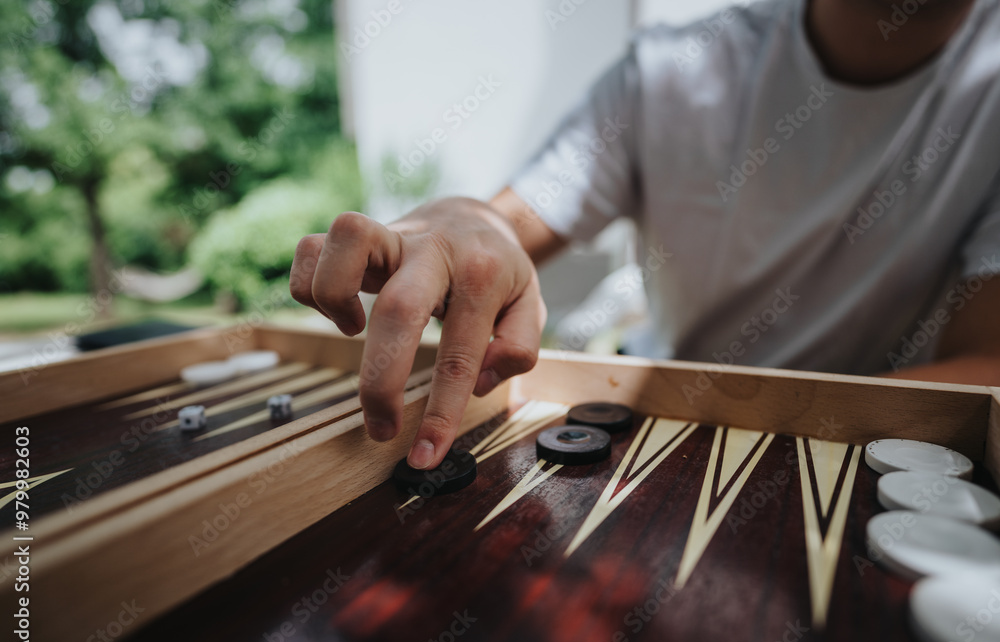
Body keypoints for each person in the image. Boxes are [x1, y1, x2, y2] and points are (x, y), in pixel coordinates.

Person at [291, 0, 1000, 471]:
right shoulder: (670, 69)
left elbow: (986, 365)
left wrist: (766, 423)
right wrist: (460, 226)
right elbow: (504, 227)